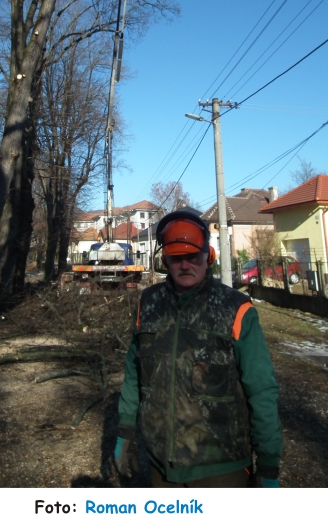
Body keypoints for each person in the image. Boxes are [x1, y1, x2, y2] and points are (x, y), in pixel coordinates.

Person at [114, 208, 282, 488]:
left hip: (221, 470)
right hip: (161, 467)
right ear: (165, 260)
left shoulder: (236, 310)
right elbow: (134, 375)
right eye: (176, 258)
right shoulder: (148, 304)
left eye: (193, 256)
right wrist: (124, 433)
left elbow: (261, 388)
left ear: (209, 256)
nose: (184, 265)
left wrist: (268, 462)